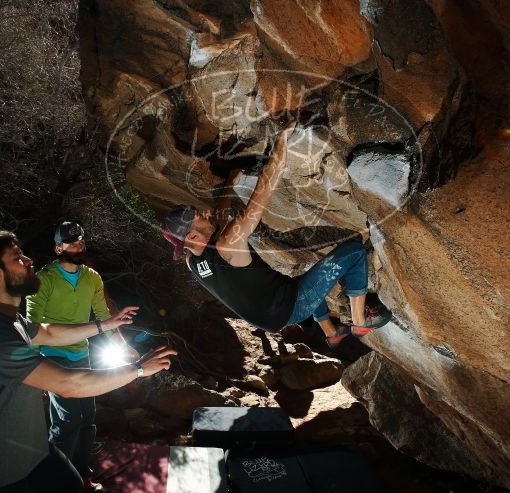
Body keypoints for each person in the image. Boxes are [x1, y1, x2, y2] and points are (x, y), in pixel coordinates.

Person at [0, 231, 174, 493]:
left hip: (30, 448)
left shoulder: (8, 317)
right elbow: (70, 384)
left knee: (68, 486)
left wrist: (105, 324)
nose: (30, 260)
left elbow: (50, 332)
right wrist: (137, 369)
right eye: (18, 258)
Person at [162, 122, 391, 348]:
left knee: (306, 277)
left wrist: (230, 184)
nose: (204, 213)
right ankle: (360, 322)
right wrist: (280, 145)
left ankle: (331, 333)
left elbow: (219, 219)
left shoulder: (192, 260)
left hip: (272, 314)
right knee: (354, 251)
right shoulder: (227, 245)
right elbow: (263, 192)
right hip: (290, 305)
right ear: (192, 236)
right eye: (197, 216)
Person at [25, 222, 134, 493]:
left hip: (81, 354)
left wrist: (124, 346)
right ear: (58, 248)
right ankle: (53, 482)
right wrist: (31, 369)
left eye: (81, 242)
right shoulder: (44, 279)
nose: (78, 247)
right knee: (67, 418)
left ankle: (81, 476)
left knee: (87, 418)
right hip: (52, 357)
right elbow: (31, 325)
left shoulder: (92, 278)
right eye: (72, 243)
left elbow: (104, 318)